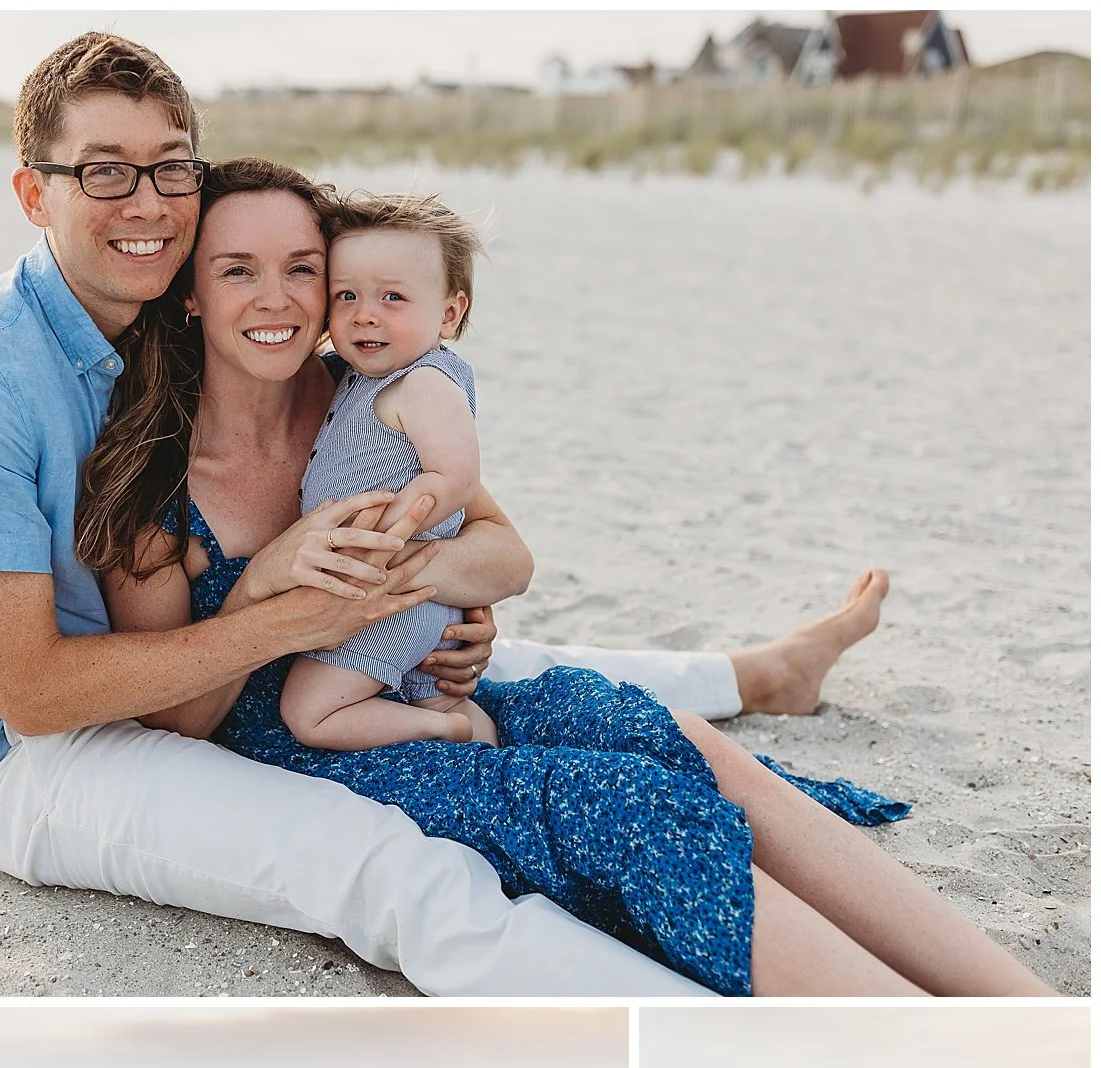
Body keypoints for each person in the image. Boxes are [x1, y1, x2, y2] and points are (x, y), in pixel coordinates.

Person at [0, 28, 896, 998]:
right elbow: (33, 694)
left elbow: (455, 537)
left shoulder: (190, 340)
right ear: (33, 194)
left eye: (171, 165)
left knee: (515, 668)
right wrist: (277, 603)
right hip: (37, 756)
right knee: (383, 861)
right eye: (103, 170)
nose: (147, 200)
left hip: (214, 664)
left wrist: (440, 584)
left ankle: (757, 675)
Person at [85, 156, 1054, 999]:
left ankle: (1025, 1007)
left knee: (646, 727)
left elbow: (505, 554)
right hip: (310, 743)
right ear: (192, 292)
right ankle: (914, 1025)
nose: (282, 298)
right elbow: (178, 720)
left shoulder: (358, 397)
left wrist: (429, 593)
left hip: (409, 674)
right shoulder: (154, 481)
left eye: (306, 271)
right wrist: (269, 593)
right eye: (239, 270)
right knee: (628, 806)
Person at [280, 193, 497, 749]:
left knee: (309, 712)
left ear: (449, 314)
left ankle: (439, 729)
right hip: (407, 600)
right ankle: (481, 744)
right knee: (444, 692)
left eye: (392, 297)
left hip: (385, 597)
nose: (365, 313)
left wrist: (379, 540)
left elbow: (454, 477)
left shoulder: (423, 383)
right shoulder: (363, 378)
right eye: (345, 295)